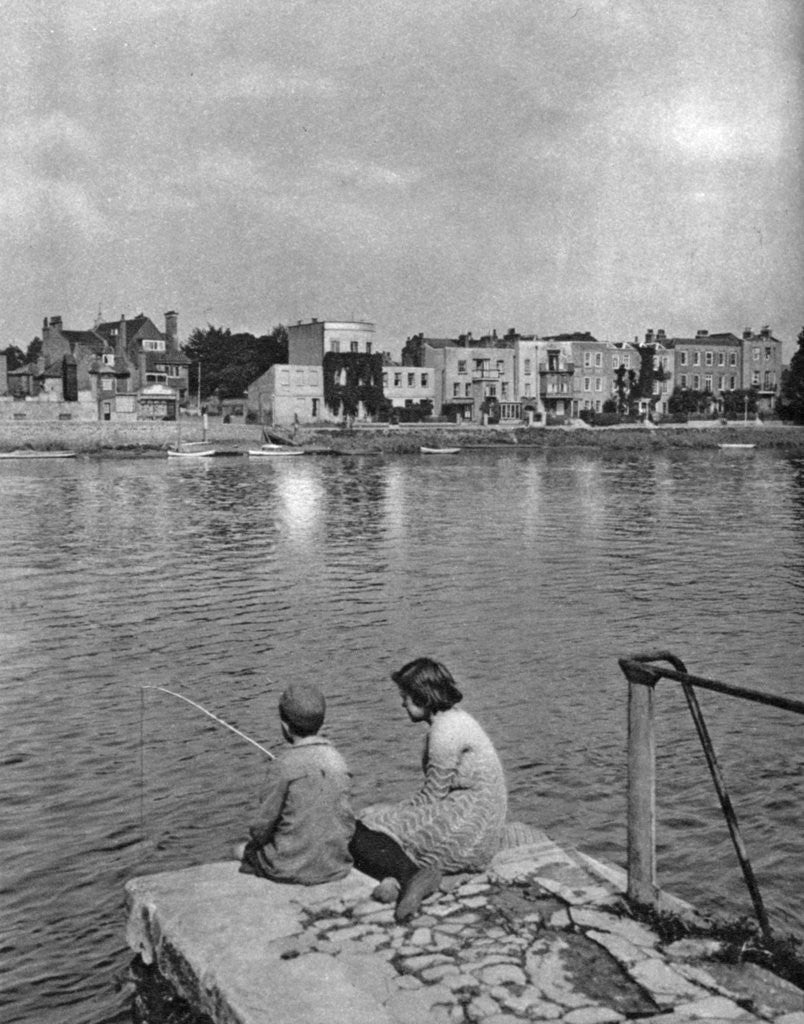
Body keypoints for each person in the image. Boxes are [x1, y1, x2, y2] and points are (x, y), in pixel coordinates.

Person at [350, 657, 507, 922]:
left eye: (406, 697)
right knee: (378, 822)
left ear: (423, 698)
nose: (402, 703)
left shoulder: (444, 733)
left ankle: (410, 877)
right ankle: (401, 877)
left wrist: (386, 812)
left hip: (468, 826)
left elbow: (431, 797)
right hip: (479, 820)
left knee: (360, 828)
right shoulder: (456, 719)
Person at [238, 682, 355, 885]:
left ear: (285, 725)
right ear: (321, 721)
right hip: (335, 865)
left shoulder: (283, 764)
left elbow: (262, 827)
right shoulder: (337, 759)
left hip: (288, 866)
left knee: (238, 850)